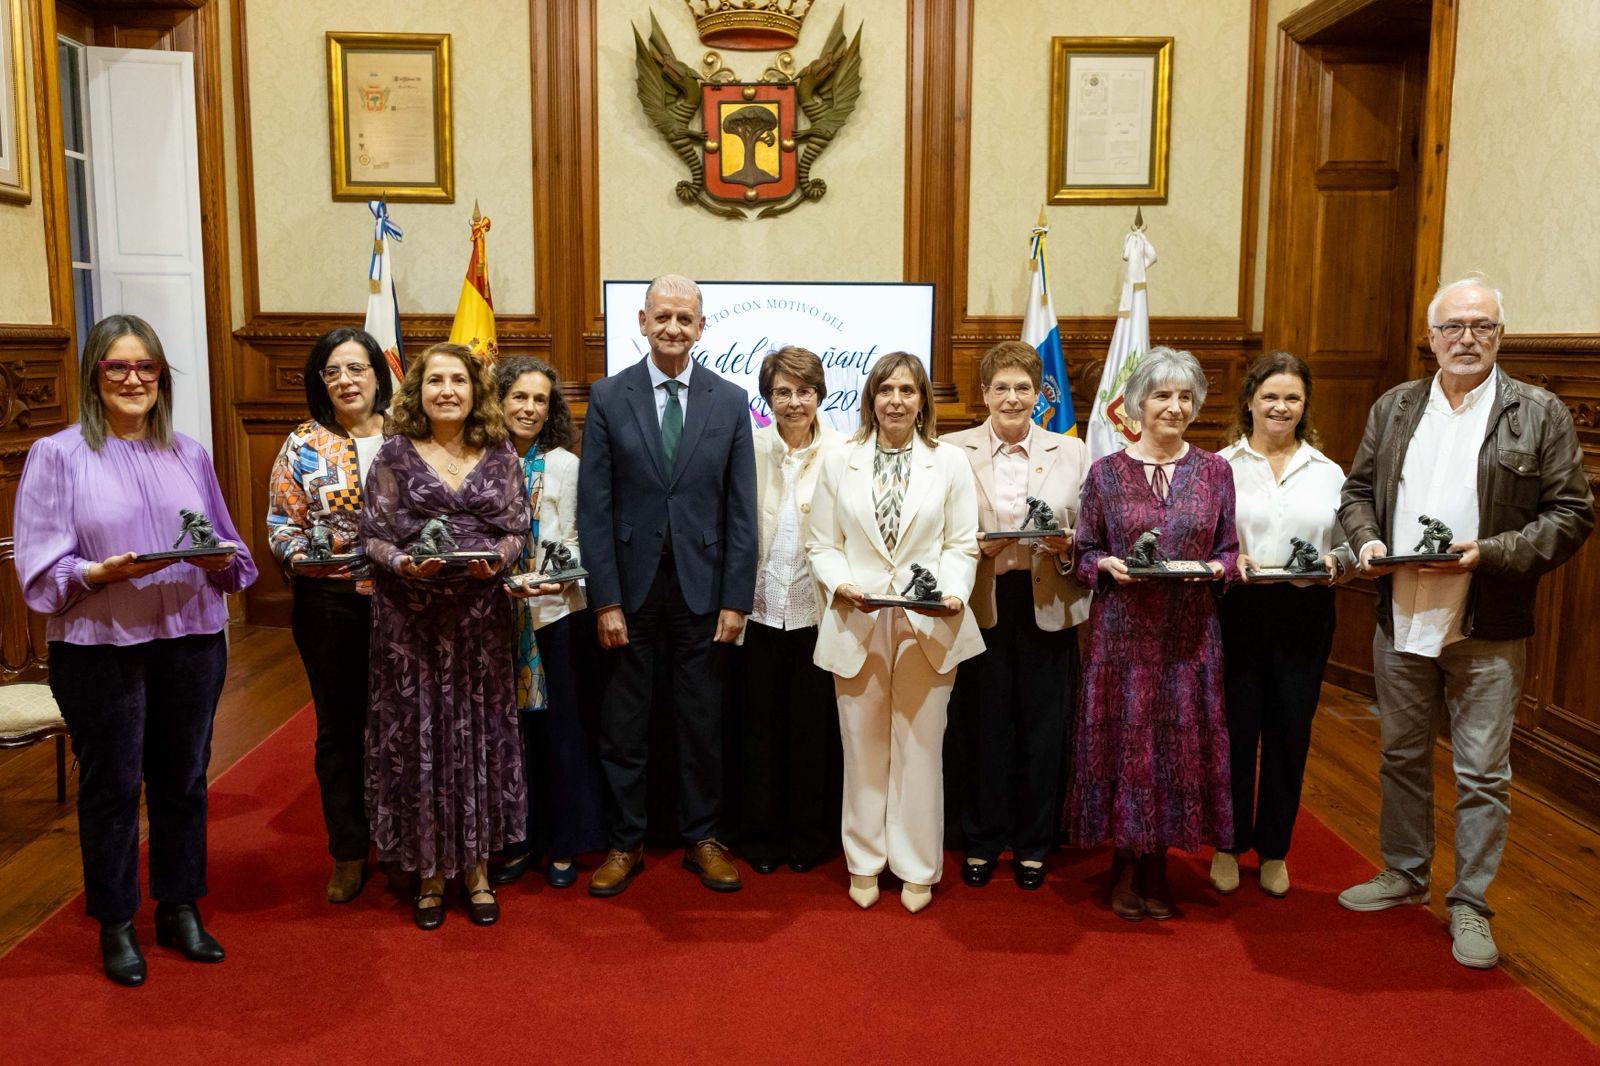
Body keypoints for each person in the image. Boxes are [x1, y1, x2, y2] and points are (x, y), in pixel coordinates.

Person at [1336, 277, 1593, 968]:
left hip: (1487, 623)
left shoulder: (1537, 413)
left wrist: (1491, 553)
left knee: (1482, 773)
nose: (1467, 338)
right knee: (1401, 755)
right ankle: (1404, 872)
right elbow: (1357, 492)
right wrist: (1366, 540)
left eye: (1482, 326)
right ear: (1432, 337)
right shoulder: (1396, 407)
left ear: (1501, 336)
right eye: (1453, 327)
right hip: (1401, 616)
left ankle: (1471, 903)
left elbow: (1572, 515)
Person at [13, 314, 258, 986]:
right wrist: (98, 573)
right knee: (113, 786)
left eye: (145, 366)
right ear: (93, 375)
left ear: (161, 377)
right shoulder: (57, 455)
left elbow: (231, 550)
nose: (132, 379)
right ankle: (116, 921)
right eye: (117, 366)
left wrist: (220, 560)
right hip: (101, 648)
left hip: (192, 639)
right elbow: (39, 571)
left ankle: (179, 907)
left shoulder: (189, 454)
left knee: (183, 779)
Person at [576, 274, 757, 896]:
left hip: (704, 592)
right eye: (663, 317)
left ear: (701, 326)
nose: (673, 328)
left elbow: (741, 511)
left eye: (685, 318)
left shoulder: (729, 401)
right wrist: (605, 599)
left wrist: (736, 599)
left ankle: (702, 838)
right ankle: (625, 842)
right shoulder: (608, 396)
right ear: (643, 321)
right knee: (624, 722)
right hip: (629, 591)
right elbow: (594, 509)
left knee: (701, 722)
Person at [360, 342, 529, 929]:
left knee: (479, 736)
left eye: (458, 380)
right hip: (410, 621)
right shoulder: (394, 453)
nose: (448, 390)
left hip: (479, 619)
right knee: (421, 738)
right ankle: (430, 875)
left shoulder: (500, 451)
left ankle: (478, 871)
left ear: (475, 390)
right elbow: (373, 536)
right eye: (435, 380)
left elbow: (517, 528)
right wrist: (406, 564)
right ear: (418, 391)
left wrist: (498, 560)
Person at [808, 352, 983, 913]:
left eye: (907, 390)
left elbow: (961, 543)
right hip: (856, 620)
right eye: (886, 390)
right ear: (871, 399)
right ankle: (863, 861)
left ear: (923, 400)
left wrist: (951, 593)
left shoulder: (949, 461)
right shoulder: (840, 459)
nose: (896, 400)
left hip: (928, 625)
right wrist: (840, 585)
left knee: (920, 749)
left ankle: (916, 866)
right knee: (861, 748)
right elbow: (822, 543)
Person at [1069, 346, 1238, 921]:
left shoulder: (1215, 471)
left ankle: (1158, 863)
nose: (1174, 407)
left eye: (1185, 397)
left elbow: (1229, 550)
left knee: (1175, 749)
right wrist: (1103, 565)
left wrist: (1216, 569)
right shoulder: (1104, 473)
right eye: (1162, 395)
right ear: (1137, 403)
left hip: (1189, 638)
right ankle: (1124, 863)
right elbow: (1083, 553)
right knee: (1128, 748)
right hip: (1122, 637)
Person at [942, 341, 1090, 891]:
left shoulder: (1071, 452)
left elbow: (1090, 531)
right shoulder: (951, 450)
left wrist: (1066, 545)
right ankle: (982, 840)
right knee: (983, 728)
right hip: (981, 602)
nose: (1012, 397)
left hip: (1047, 603)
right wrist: (971, 546)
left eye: (1023, 387)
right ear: (984, 394)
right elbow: (937, 529)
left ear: (1038, 395)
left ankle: (1033, 844)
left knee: (1042, 730)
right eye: (1001, 387)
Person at [1216, 352, 1356, 899]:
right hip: (1237, 610)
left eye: (1292, 398)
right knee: (1234, 733)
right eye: (1270, 396)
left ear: (1305, 405)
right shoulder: (1220, 467)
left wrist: (1337, 562)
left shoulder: (1329, 473)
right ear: (1249, 401)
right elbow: (1201, 536)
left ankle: (1274, 850)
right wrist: (1228, 558)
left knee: (1289, 734)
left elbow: (1350, 543)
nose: (1281, 407)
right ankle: (1228, 845)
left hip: (1305, 612)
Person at [266, 327, 391, 904]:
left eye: (356, 368)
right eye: (333, 371)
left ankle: (402, 839)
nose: (345, 380)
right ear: (321, 382)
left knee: (402, 724)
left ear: (378, 375)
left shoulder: (408, 436)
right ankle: (348, 848)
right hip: (331, 603)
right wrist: (307, 558)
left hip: (407, 601)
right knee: (341, 728)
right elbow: (280, 525)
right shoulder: (303, 444)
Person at [492, 355, 606, 889]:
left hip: (554, 614)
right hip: (492, 618)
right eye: (519, 396)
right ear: (498, 401)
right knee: (508, 735)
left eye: (540, 399)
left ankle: (562, 843)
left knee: (559, 733)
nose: (530, 408)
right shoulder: (480, 462)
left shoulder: (566, 464)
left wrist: (558, 576)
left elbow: (579, 537)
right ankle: (517, 840)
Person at [740, 346, 843, 875]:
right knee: (758, 731)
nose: (794, 402)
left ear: (819, 395)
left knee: (812, 731)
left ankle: (808, 836)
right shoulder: (748, 447)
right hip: (756, 612)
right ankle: (761, 835)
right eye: (783, 392)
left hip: (818, 613)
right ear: (768, 398)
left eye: (804, 391)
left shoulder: (845, 451)